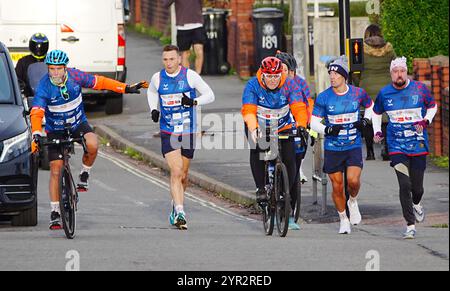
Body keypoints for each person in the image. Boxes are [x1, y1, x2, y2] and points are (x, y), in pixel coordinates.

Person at [30, 50, 148, 230]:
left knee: (93, 144)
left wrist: (125, 88)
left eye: (58, 69)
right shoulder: (44, 86)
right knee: (55, 169)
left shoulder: (75, 76)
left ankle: (84, 173)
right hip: (56, 129)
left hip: (78, 123)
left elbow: (100, 82)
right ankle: (55, 212)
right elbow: (37, 111)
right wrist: (37, 132)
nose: (54, 73)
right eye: (51, 69)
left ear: (65, 68)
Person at [147, 44, 215, 230]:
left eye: (172, 59)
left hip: (188, 130)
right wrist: (154, 109)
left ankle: (175, 204)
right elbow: (151, 92)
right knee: (176, 171)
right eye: (165, 59)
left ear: (179, 59)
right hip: (169, 131)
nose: (168, 63)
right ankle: (179, 211)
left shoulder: (190, 76)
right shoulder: (158, 78)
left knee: (184, 176)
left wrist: (194, 101)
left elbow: (210, 95)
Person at [372, 57, 437, 239]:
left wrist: (425, 120)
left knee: (417, 189)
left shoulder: (419, 89)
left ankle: (417, 203)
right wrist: (377, 131)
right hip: (396, 145)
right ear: (391, 73)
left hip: (418, 144)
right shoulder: (385, 93)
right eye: (395, 71)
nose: (399, 74)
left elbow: (432, 106)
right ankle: (410, 225)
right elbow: (376, 113)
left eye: (402, 71)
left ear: (406, 72)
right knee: (404, 185)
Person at [241, 56, 309, 230]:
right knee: (258, 148)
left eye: (276, 76)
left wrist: (301, 126)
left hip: (282, 125)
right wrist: (254, 128)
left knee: (290, 161)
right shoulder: (253, 85)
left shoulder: (290, 85)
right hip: (259, 125)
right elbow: (248, 110)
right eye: (269, 76)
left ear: (281, 74)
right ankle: (261, 189)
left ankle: (284, 194)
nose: (272, 80)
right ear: (262, 75)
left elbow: (299, 107)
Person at [311, 55, 374, 234]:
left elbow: (371, 106)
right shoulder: (324, 97)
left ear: (344, 76)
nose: (332, 77)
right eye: (330, 73)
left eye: (336, 74)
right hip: (333, 147)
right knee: (337, 186)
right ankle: (343, 219)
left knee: (353, 181)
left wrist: (365, 120)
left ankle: (352, 201)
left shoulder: (357, 93)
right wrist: (328, 130)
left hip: (353, 144)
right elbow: (314, 122)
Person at [275, 51, 313, 230]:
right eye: (282, 70)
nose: (287, 74)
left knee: (294, 171)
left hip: (296, 130)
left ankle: (289, 214)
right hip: (274, 129)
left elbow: (308, 106)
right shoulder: (272, 82)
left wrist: (307, 125)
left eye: (289, 71)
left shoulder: (300, 84)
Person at [357, 24, 396, 161]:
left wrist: (359, 83)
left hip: (367, 87)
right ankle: (386, 148)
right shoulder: (389, 50)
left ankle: (370, 152)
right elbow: (395, 67)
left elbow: (356, 70)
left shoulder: (360, 50)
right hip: (386, 87)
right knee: (386, 117)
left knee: (368, 119)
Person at [162, 0, 206, 74]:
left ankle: (198, 76)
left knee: (199, 51)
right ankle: (187, 77)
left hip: (197, 24)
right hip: (182, 26)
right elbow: (165, 3)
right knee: (185, 54)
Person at [15, 33, 49, 97]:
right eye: (36, 46)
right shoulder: (23, 61)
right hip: (29, 96)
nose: (39, 49)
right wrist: (23, 88)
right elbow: (17, 79)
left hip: (48, 96)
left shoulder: (51, 60)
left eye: (42, 46)